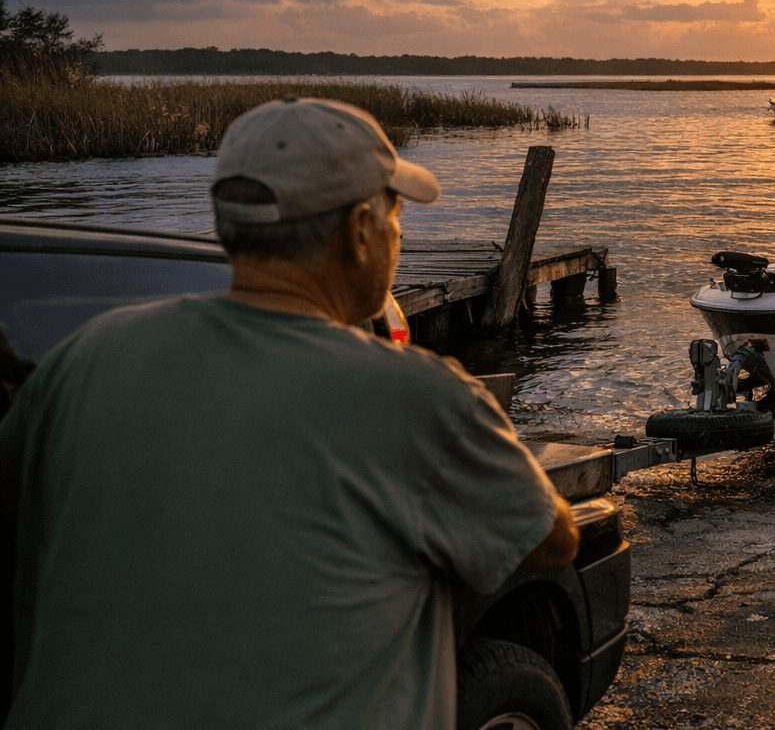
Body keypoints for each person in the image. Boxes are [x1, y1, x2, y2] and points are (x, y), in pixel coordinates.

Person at [0, 97, 578, 729]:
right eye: (395, 212)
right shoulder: (415, 397)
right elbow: (550, 541)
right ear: (360, 230)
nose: (400, 232)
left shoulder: (84, 356)